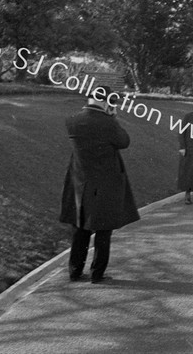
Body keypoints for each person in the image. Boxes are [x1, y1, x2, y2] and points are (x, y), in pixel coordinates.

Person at [60, 86, 140, 283]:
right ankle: (97, 273)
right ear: (106, 102)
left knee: (80, 229)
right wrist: (112, 117)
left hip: (80, 182)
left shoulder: (73, 120)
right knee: (103, 231)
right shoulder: (108, 123)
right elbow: (124, 141)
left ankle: (75, 271)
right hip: (105, 183)